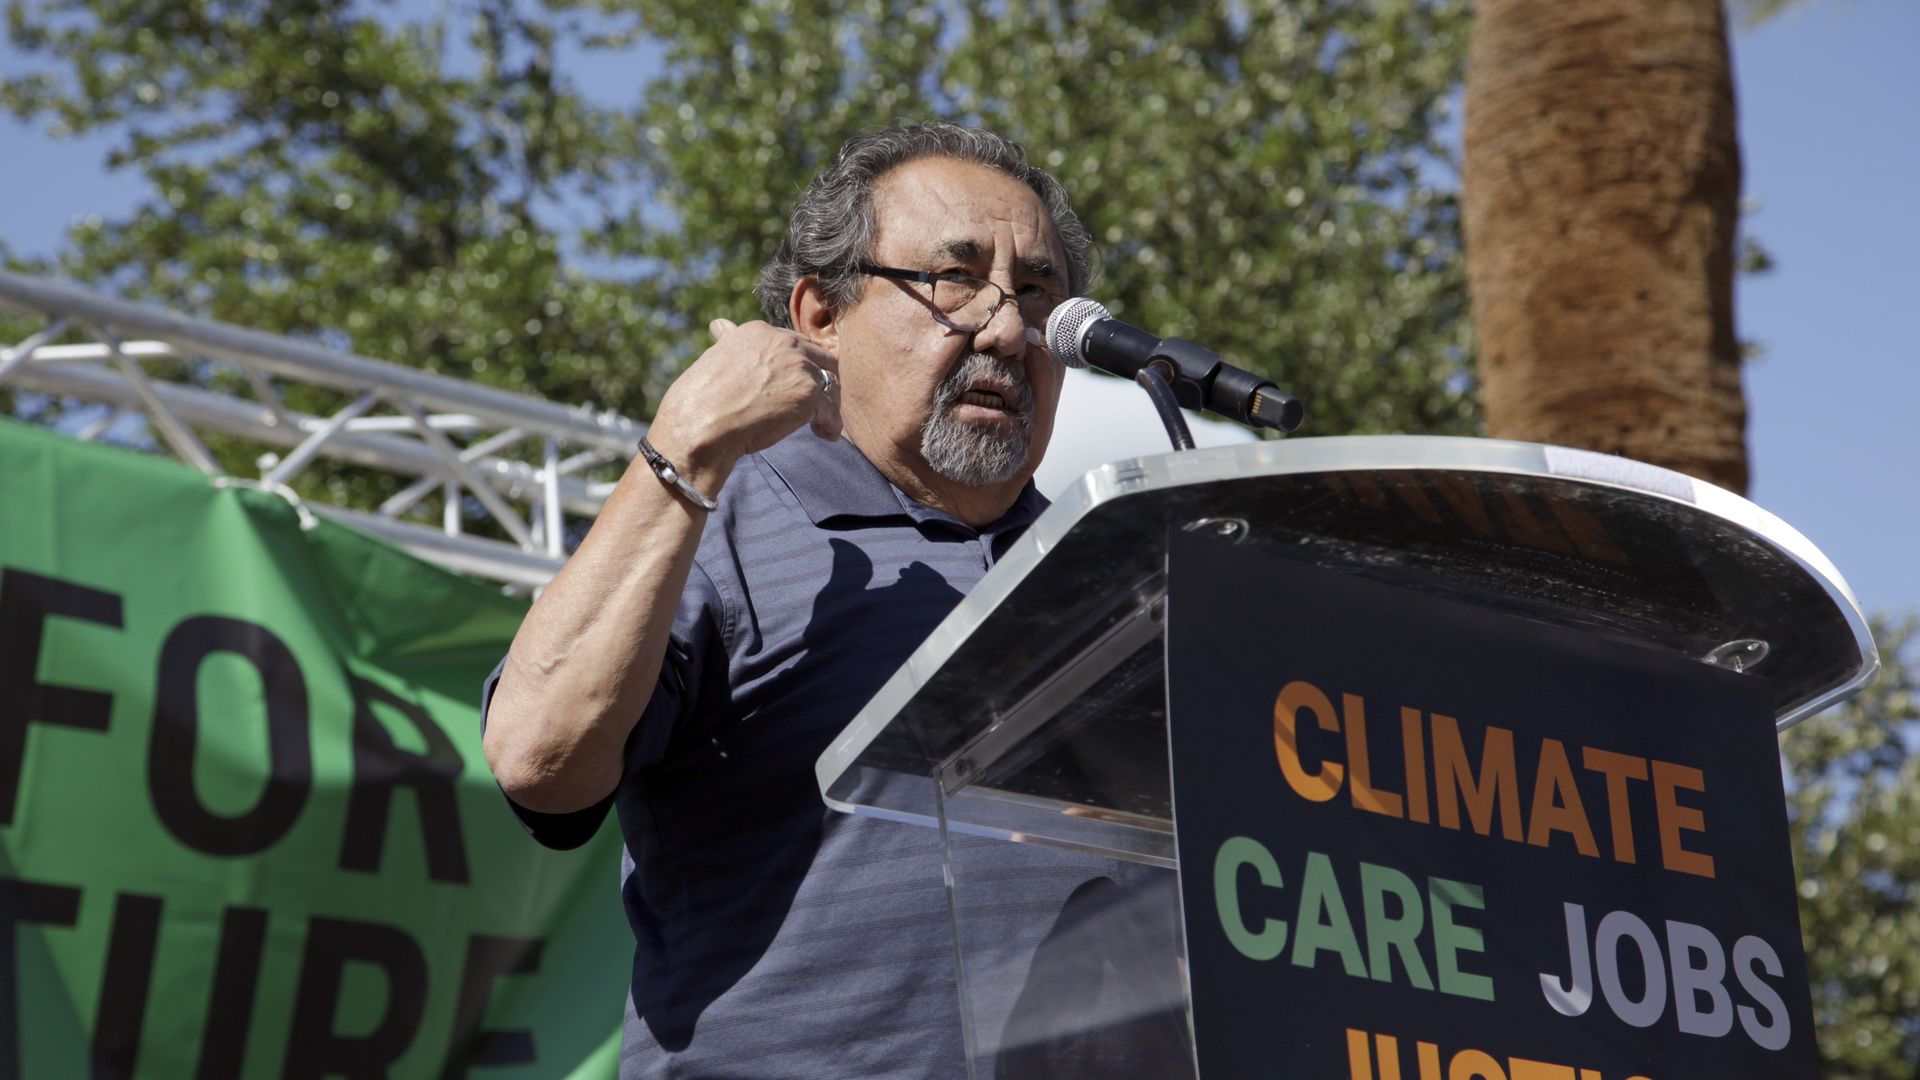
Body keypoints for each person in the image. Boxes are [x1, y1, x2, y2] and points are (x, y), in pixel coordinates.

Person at [482, 123, 1178, 1079]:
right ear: (819, 316)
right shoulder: (719, 515)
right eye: (954, 279)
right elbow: (539, 759)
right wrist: (684, 454)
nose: (1008, 327)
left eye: (1037, 291)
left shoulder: (1110, 577)